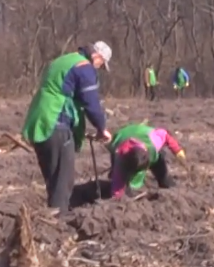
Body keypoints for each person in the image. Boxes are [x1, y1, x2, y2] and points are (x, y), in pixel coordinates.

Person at [22, 42, 114, 212]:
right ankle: (59, 223)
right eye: (101, 65)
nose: (99, 69)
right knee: (63, 181)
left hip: (39, 120)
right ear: (97, 56)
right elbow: (91, 103)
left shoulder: (65, 60)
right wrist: (102, 128)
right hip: (56, 121)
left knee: (53, 179)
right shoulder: (84, 67)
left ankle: (51, 217)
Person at [108, 123, 186, 200]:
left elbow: (164, 134)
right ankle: (128, 189)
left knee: (159, 157)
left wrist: (177, 151)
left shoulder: (154, 141)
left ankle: (164, 182)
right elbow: (117, 183)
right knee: (120, 177)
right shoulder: (120, 158)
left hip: (142, 133)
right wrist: (117, 195)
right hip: (120, 137)